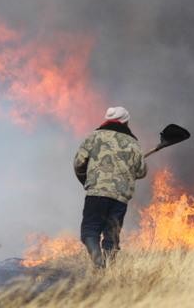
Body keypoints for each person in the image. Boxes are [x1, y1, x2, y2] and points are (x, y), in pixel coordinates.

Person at [74, 106, 147, 268]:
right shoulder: (133, 143)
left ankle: (99, 264)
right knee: (111, 236)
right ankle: (109, 273)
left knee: (89, 231)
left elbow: (79, 163)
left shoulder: (94, 137)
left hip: (97, 194)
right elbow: (141, 171)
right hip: (120, 197)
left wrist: (86, 180)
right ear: (125, 122)